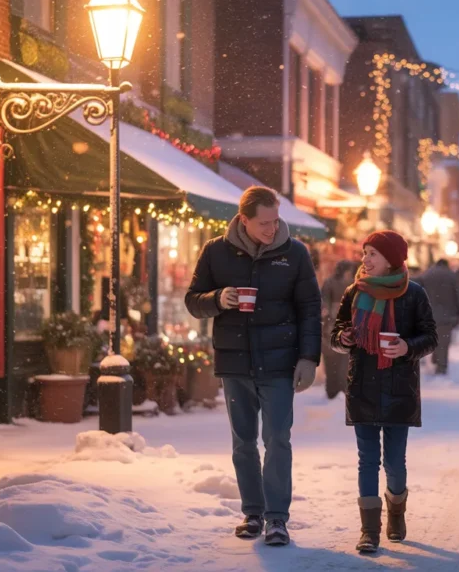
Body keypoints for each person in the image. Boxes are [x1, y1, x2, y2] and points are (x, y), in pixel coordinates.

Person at [185, 186, 321, 547]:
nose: (272, 229)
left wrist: (309, 358)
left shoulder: (295, 254)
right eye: (264, 223)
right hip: (235, 362)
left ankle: (277, 518)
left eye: (276, 221)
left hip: (280, 363)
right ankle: (253, 512)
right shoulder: (216, 251)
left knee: (277, 438)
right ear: (243, 220)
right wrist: (218, 299)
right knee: (243, 442)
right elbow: (193, 300)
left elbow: (310, 309)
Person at [330, 230, 438, 553]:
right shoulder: (354, 292)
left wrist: (406, 346)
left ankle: (396, 509)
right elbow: (335, 332)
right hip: (361, 387)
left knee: (394, 462)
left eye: (372, 254)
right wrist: (344, 339)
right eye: (365, 253)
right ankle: (369, 530)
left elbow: (430, 337)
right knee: (367, 460)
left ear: (392, 259)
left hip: (399, 390)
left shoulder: (414, 294)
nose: (365, 259)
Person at [418, 259, 459, 375]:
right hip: (447, 315)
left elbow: (418, 288)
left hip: (429, 313)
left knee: (434, 338)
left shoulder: (427, 274)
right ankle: (441, 367)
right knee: (443, 342)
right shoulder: (452, 276)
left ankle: (436, 358)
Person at [322, 260, 356, 399]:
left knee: (337, 361)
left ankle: (335, 389)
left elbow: (324, 304)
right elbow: (325, 305)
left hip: (335, 326)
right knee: (339, 361)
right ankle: (337, 389)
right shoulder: (353, 283)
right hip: (339, 325)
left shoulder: (330, 282)